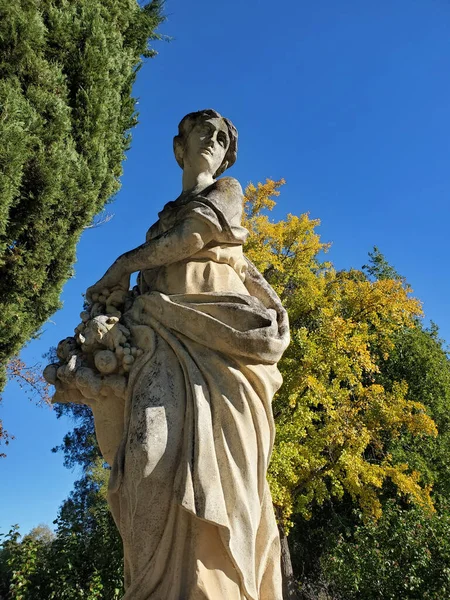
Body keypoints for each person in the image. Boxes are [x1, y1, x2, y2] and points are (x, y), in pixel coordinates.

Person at [85, 109, 290, 599]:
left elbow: (191, 240)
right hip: (159, 334)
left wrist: (119, 266)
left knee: (230, 474)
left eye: (222, 138)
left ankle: (218, 586)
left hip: (222, 341)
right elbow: (173, 247)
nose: (214, 141)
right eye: (204, 131)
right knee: (144, 453)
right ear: (179, 147)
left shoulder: (227, 193)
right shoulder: (162, 219)